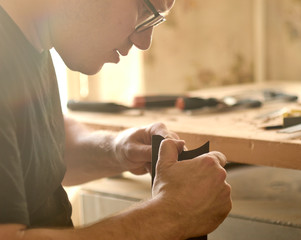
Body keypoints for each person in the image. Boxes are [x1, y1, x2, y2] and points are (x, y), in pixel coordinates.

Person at [0, 0, 232, 239]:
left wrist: (117, 149)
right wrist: (172, 213)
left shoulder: (30, 39)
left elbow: (35, 153)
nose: (144, 42)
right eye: (145, 10)